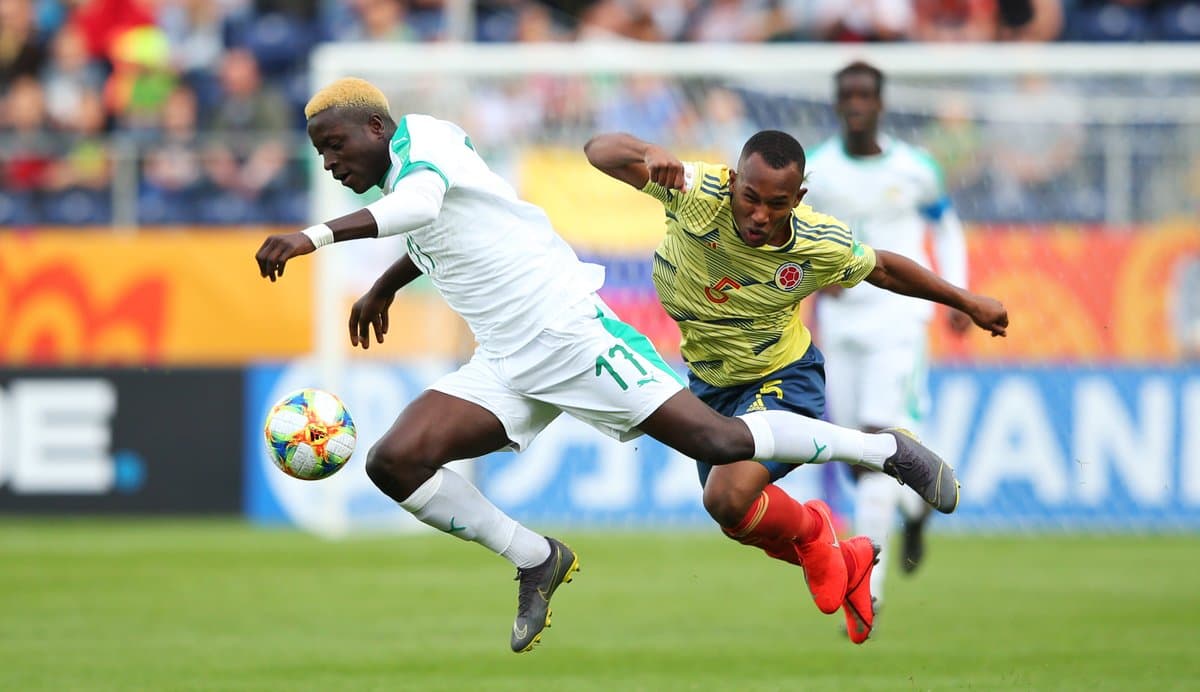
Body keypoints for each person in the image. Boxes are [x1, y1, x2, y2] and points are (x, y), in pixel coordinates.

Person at [254, 77, 958, 653]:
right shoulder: (411, 169)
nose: (330, 162)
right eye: (320, 154)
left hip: (571, 332)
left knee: (717, 445)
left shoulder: (423, 147)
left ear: (376, 129)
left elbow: (422, 205)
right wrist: (385, 284)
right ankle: (536, 558)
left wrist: (312, 237)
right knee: (394, 461)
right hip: (506, 358)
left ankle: (884, 450)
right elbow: (447, 224)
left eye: (335, 145)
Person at [583, 126, 1007, 642]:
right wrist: (650, 152)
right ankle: (838, 553)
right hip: (713, 385)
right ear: (733, 181)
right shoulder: (698, 193)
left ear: (799, 198)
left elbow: (887, 270)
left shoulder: (816, 241)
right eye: (750, 198)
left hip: (783, 378)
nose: (760, 215)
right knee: (734, 516)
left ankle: (882, 452)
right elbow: (597, 151)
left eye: (777, 204)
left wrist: (966, 300)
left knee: (725, 496)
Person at [806, 61, 972, 615]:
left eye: (865, 95)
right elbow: (800, 236)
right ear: (837, 104)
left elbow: (945, 226)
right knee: (860, 458)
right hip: (843, 324)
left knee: (882, 437)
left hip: (900, 322)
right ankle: (917, 511)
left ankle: (865, 594)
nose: (856, 104)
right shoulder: (821, 170)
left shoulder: (917, 168)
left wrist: (956, 293)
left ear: (880, 103)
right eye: (847, 95)